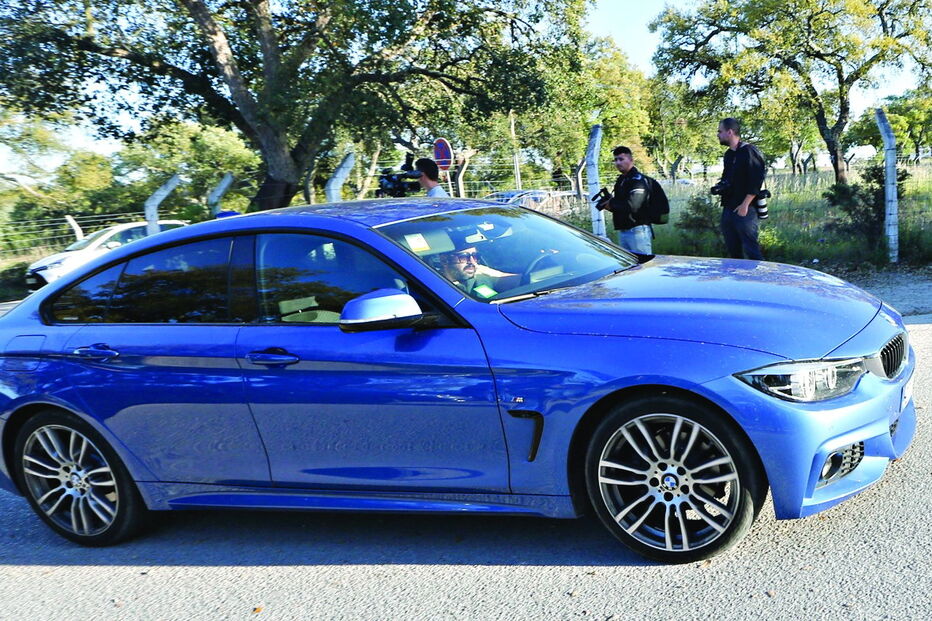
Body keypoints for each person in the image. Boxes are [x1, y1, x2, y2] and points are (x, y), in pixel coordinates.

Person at [715, 117, 766, 260]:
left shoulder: (749, 151)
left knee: (751, 250)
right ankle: (737, 280)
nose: (718, 135)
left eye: (720, 131)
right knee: (733, 249)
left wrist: (745, 205)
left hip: (745, 208)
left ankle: (757, 279)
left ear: (730, 132)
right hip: (729, 207)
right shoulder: (729, 154)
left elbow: (756, 180)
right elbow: (728, 179)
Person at [602, 146, 652, 254]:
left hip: (637, 230)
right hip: (624, 230)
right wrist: (609, 203)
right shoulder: (621, 180)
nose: (618, 163)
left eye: (621, 159)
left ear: (631, 160)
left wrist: (611, 204)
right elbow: (621, 206)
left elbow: (633, 205)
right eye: (615, 160)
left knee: (642, 266)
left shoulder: (638, 180)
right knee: (630, 267)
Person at [439, 245, 518, 298]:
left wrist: (498, 274)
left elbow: (523, 282)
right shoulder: (436, 287)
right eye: (463, 257)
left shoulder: (482, 279)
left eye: (475, 256)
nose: (472, 262)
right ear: (444, 260)